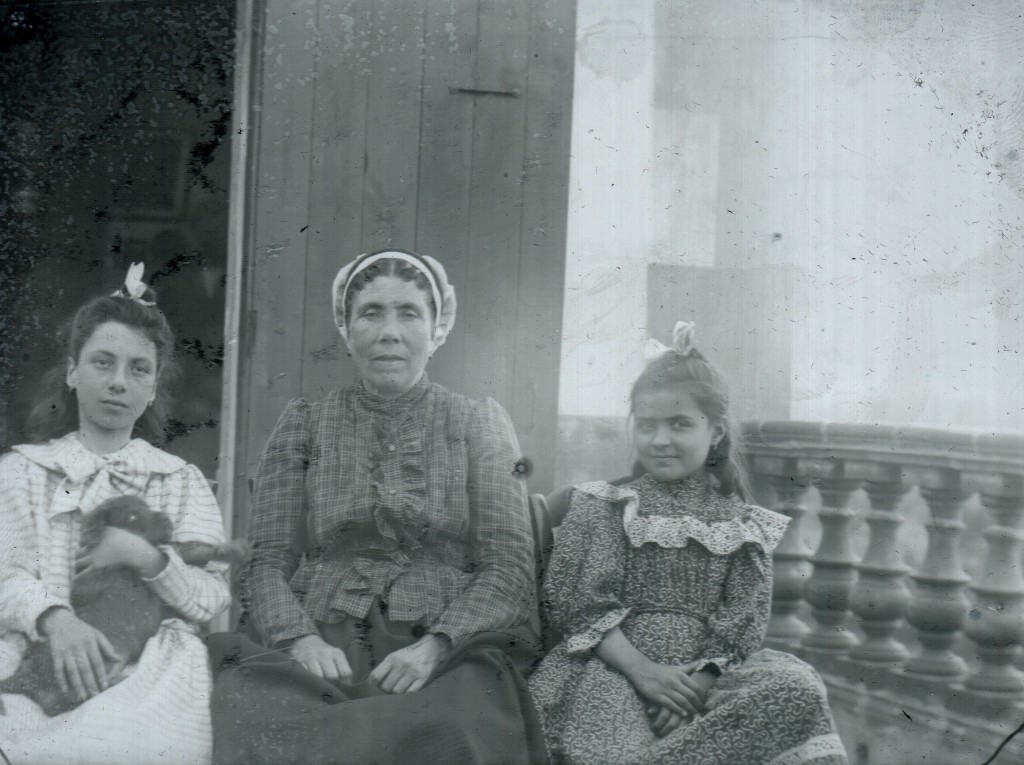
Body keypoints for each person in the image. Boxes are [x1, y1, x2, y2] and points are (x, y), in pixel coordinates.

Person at [206, 249, 545, 765]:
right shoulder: (304, 424)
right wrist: (299, 640)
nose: (389, 331)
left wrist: (435, 646)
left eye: (409, 312)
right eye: (371, 313)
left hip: (444, 652)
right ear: (346, 329)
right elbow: (265, 560)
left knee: (452, 731)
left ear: (438, 329)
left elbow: (509, 566)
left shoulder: (478, 423)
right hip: (319, 648)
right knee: (266, 722)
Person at [528, 321, 848, 765]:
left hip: (705, 677)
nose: (659, 440)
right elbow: (580, 607)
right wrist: (648, 675)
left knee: (796, 688)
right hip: (614, 667)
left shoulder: (739, 522)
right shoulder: (605, 505)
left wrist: (694, 687)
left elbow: (742, 625)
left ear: (715, 431)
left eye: (679, 425)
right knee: (610, 744)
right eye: (646, 426)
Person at [0, 263, 231, 765]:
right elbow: (4, 573)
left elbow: (210, 595)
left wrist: (149, 559)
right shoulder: (24, 472)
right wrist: (55, 619)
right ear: (71, 370)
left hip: (147, 664)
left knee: (123, 740)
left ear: (152, 388)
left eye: (138, 370)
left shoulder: (177, 480)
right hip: (38, 648)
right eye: (102, 363)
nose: (119, 383)